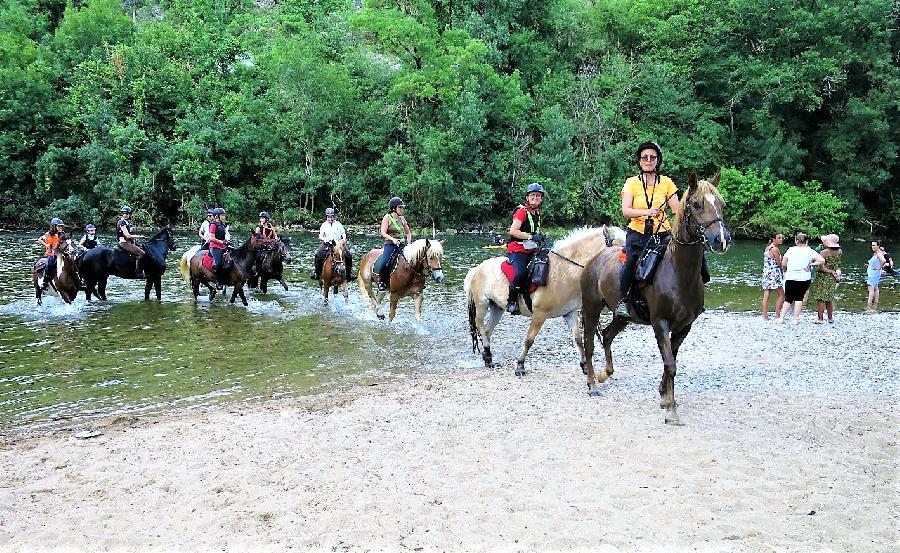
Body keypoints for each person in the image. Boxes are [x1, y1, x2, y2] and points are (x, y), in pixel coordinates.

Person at [616, 141, 682, 318]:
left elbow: (676, 210)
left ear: (657, 160)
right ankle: (623, 301)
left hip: (662, 233)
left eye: (652, 157)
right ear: (639, 161)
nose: (648, 160)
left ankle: (692, 299)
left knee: (687, 254)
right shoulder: (631, 183)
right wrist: (647, 212)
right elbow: (626, 211)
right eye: (644, 157)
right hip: (638, 233)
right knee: (630, 262)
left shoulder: (667, 182)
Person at [505, 183, 547, 315]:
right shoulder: (521, 212)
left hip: (532, 249)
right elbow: (513, 231)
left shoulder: (537, 213)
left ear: (541, 199)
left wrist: (540, 236)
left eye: (538, 196)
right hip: (517, 249)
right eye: (533, 195)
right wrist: (531, 236)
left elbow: (534, 230)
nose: (536, 198)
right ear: (527, 197)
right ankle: (511, 301)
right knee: (521, 273)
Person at [776, 232, 825, 324]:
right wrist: (811, 264)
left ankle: (781, 317)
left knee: (788, 298)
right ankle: (795, 319)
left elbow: (783, 264)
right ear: (807, 241)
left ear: (796, 240)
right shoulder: (810, 251)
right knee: (799, 298)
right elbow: (822, 260)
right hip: (804, 278)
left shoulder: (790, 250)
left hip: (791, 276)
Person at [378, 197, 412, 291]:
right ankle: (381, 280)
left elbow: (408, 232)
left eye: (402, 207)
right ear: (394, 208)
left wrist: (409, 243)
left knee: (413, 259)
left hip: (401, 245)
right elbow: (383, 233)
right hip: (390, 244)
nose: (402, 209)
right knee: (385, 262)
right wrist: (392, 239)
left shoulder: (402, 219)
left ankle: (414, 280)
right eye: (400, 207)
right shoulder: (387, 218)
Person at [311, 207, 352, 281]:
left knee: (349, 255)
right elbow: (320, 236)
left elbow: (343, 233)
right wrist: (325, 239)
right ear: (327, 217)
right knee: (317, 254)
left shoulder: (338, 224)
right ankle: (316, 273)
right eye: (329, 217)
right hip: (327, 244)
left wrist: (344, 239)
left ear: (334, 217)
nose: (330, 219)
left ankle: (349, 274)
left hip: (338, 244)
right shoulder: (324, 225)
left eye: (331, 217)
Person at [808, 234, 842, 324]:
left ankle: (820, 318)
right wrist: (832, 271)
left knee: (820, 299)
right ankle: (830, 318)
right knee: (829, 299)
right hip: (832, 277)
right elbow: (837, 265)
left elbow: (821, 267)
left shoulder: (824, 252)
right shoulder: (840, 252)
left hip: (823, 277)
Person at [38, 218, 69, 288]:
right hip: (51, 254)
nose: (61, 228)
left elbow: (66, 242)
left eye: (61, 226)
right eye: (59, 226)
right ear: (54, 227)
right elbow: (39, 239)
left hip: (61, 253)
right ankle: (45, 280)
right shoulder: (48, 234)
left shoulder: (63, 234)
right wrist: (46, 245)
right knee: (49, 264)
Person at [761, 231, 785, 320]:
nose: (781, 240)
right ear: (773, 239)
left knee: (767, 293)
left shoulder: (767, 248)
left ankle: (765, 316)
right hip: (774, 273)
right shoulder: (775, 249)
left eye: (782, 238)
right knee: (782, 295)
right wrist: (783, 271)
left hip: (767, 273)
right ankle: (778, 315)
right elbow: (779, 263)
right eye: (779, 238)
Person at [116, 206, 146, 277]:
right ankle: (138, 272)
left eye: (126, 213)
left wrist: (135, 239)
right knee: (142, 253)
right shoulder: (122, 222)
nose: (125, 215)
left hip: (128, 241)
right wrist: (140, 237)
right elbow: (128, 236)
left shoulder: (127, 222)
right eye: (124, 213)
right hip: (124, 242)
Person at [208, 207, 229, 285]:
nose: (224, 217)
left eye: (224, 215)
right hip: (215, 246)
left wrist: (226, 241)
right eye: (222, 215)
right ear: (217, 216)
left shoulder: (222, 225)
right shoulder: (213, 225)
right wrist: (221, 242)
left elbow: (223, 237)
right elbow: (212, 238)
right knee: (218, 264)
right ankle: (217, 281)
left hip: (223, 246)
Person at [866, 240, 887, 311]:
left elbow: (883, 261)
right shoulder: (876, 253)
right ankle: (875, 304)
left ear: (878, 246)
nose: (872, 247)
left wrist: (879, 267)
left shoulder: (878, 253)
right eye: (872, 245)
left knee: (871, 288)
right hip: (874, 273)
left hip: (873, 273)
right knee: (875, 287)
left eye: (874, 245)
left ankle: (869, 305)